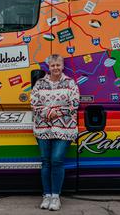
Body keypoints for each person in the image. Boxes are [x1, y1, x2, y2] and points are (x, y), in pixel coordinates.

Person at [30, 54, 80, 211]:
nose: (56, 68)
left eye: (58, 65)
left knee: (57, 160)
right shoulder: (40, 84)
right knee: (45, 161)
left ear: (62, 66)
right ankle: (47, 195)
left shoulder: (70, 83)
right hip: (43, 128)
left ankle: (56, 196)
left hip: (64, 128)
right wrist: (46, 113)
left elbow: (75, 102)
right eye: (53, 65)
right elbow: (34, 102)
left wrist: (56, 113)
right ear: (49, 67)